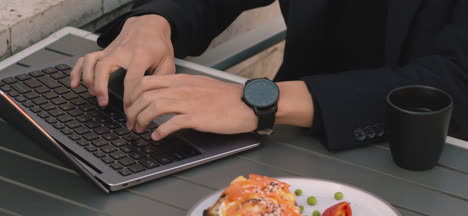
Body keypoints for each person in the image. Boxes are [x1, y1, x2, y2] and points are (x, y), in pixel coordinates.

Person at [70, 0, 468, 150]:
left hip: (435, 157)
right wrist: (156, 20)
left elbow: (455, 78)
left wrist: (261, 101)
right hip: (286, 141)